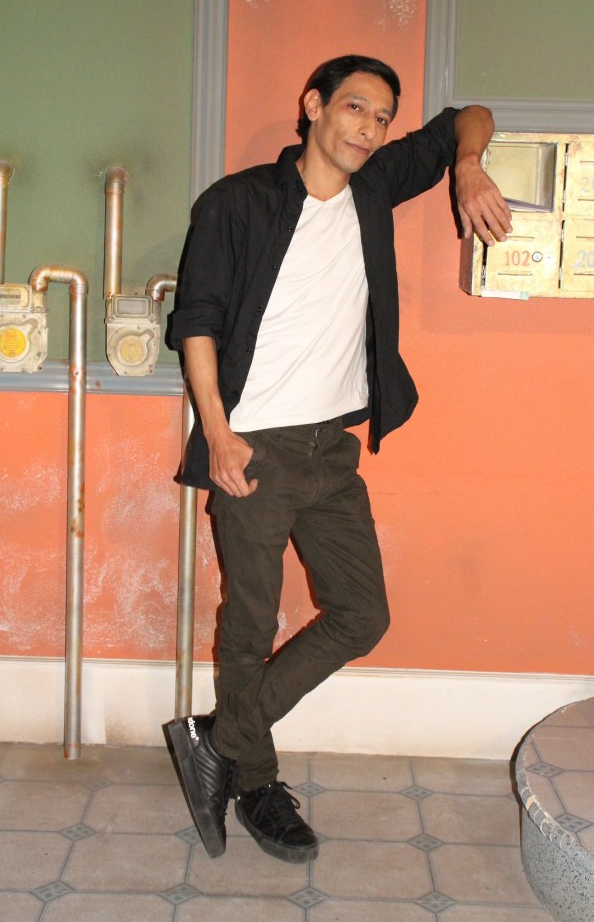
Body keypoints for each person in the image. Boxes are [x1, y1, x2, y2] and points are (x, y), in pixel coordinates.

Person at [165, 54, 511, 863]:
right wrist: (217, 433)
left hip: (331, 450)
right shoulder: (237, 202)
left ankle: (219, 739)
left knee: (363, 616)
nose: (369, 128)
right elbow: (196, 322)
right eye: (355, 108)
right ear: (313, 105)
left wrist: (466, 164)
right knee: (250, 626)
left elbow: (470, 114)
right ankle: (256, 782)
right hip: (253, 445)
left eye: (382, 117)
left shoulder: (375, 186)